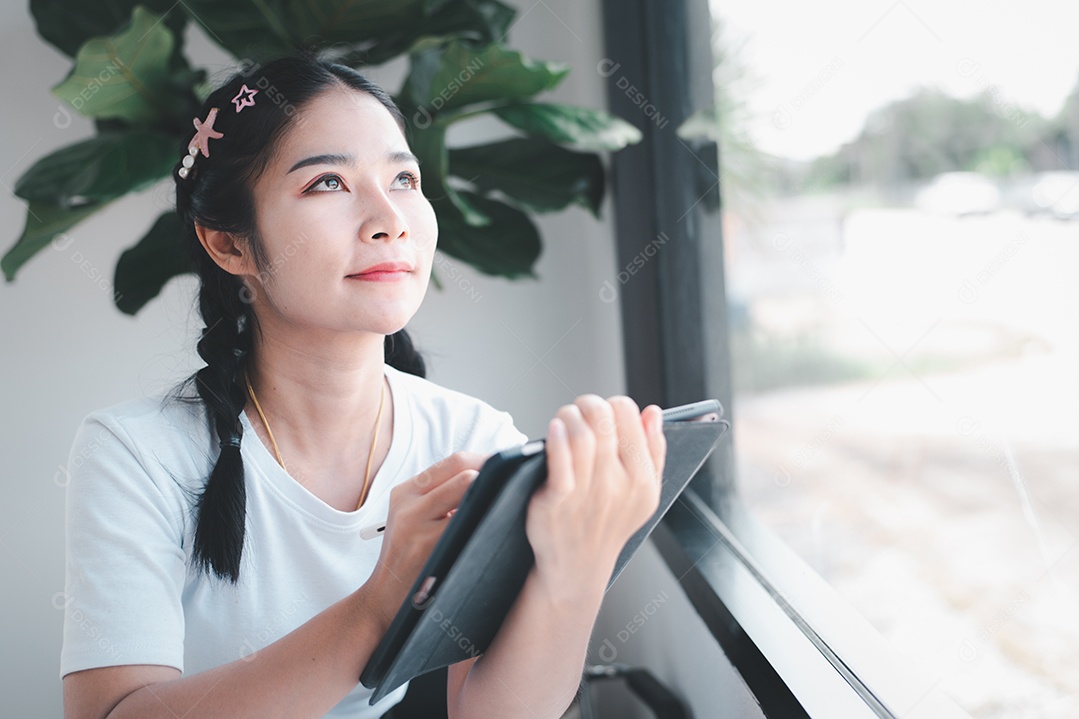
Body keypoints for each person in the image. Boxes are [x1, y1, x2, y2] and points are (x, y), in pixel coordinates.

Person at [59, 51, 666, 719]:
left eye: (404, 177)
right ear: (230, 245)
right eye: (328, 184)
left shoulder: (472, 442)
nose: (389, 218)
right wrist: (376, 609)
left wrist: (574, 570)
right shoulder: (136, 453)